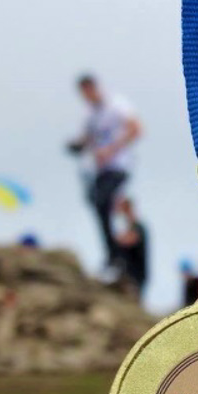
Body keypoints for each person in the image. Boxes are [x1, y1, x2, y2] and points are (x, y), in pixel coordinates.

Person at [66, 74, 142, 275]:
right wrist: (76, 146)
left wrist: (112, 149)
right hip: (99, 170)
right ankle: (114, 253)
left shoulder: (117, 105)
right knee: (99, 205)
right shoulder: (89, 115)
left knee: (104, 202)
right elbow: (86, 139)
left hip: (119, 166)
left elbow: (136, 129)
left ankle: (120, 252)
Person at [113, 196, 148, 300]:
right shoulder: (130, 228)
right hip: (128, 276)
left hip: (135, 278)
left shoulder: (138, 227)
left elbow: (129, 241)